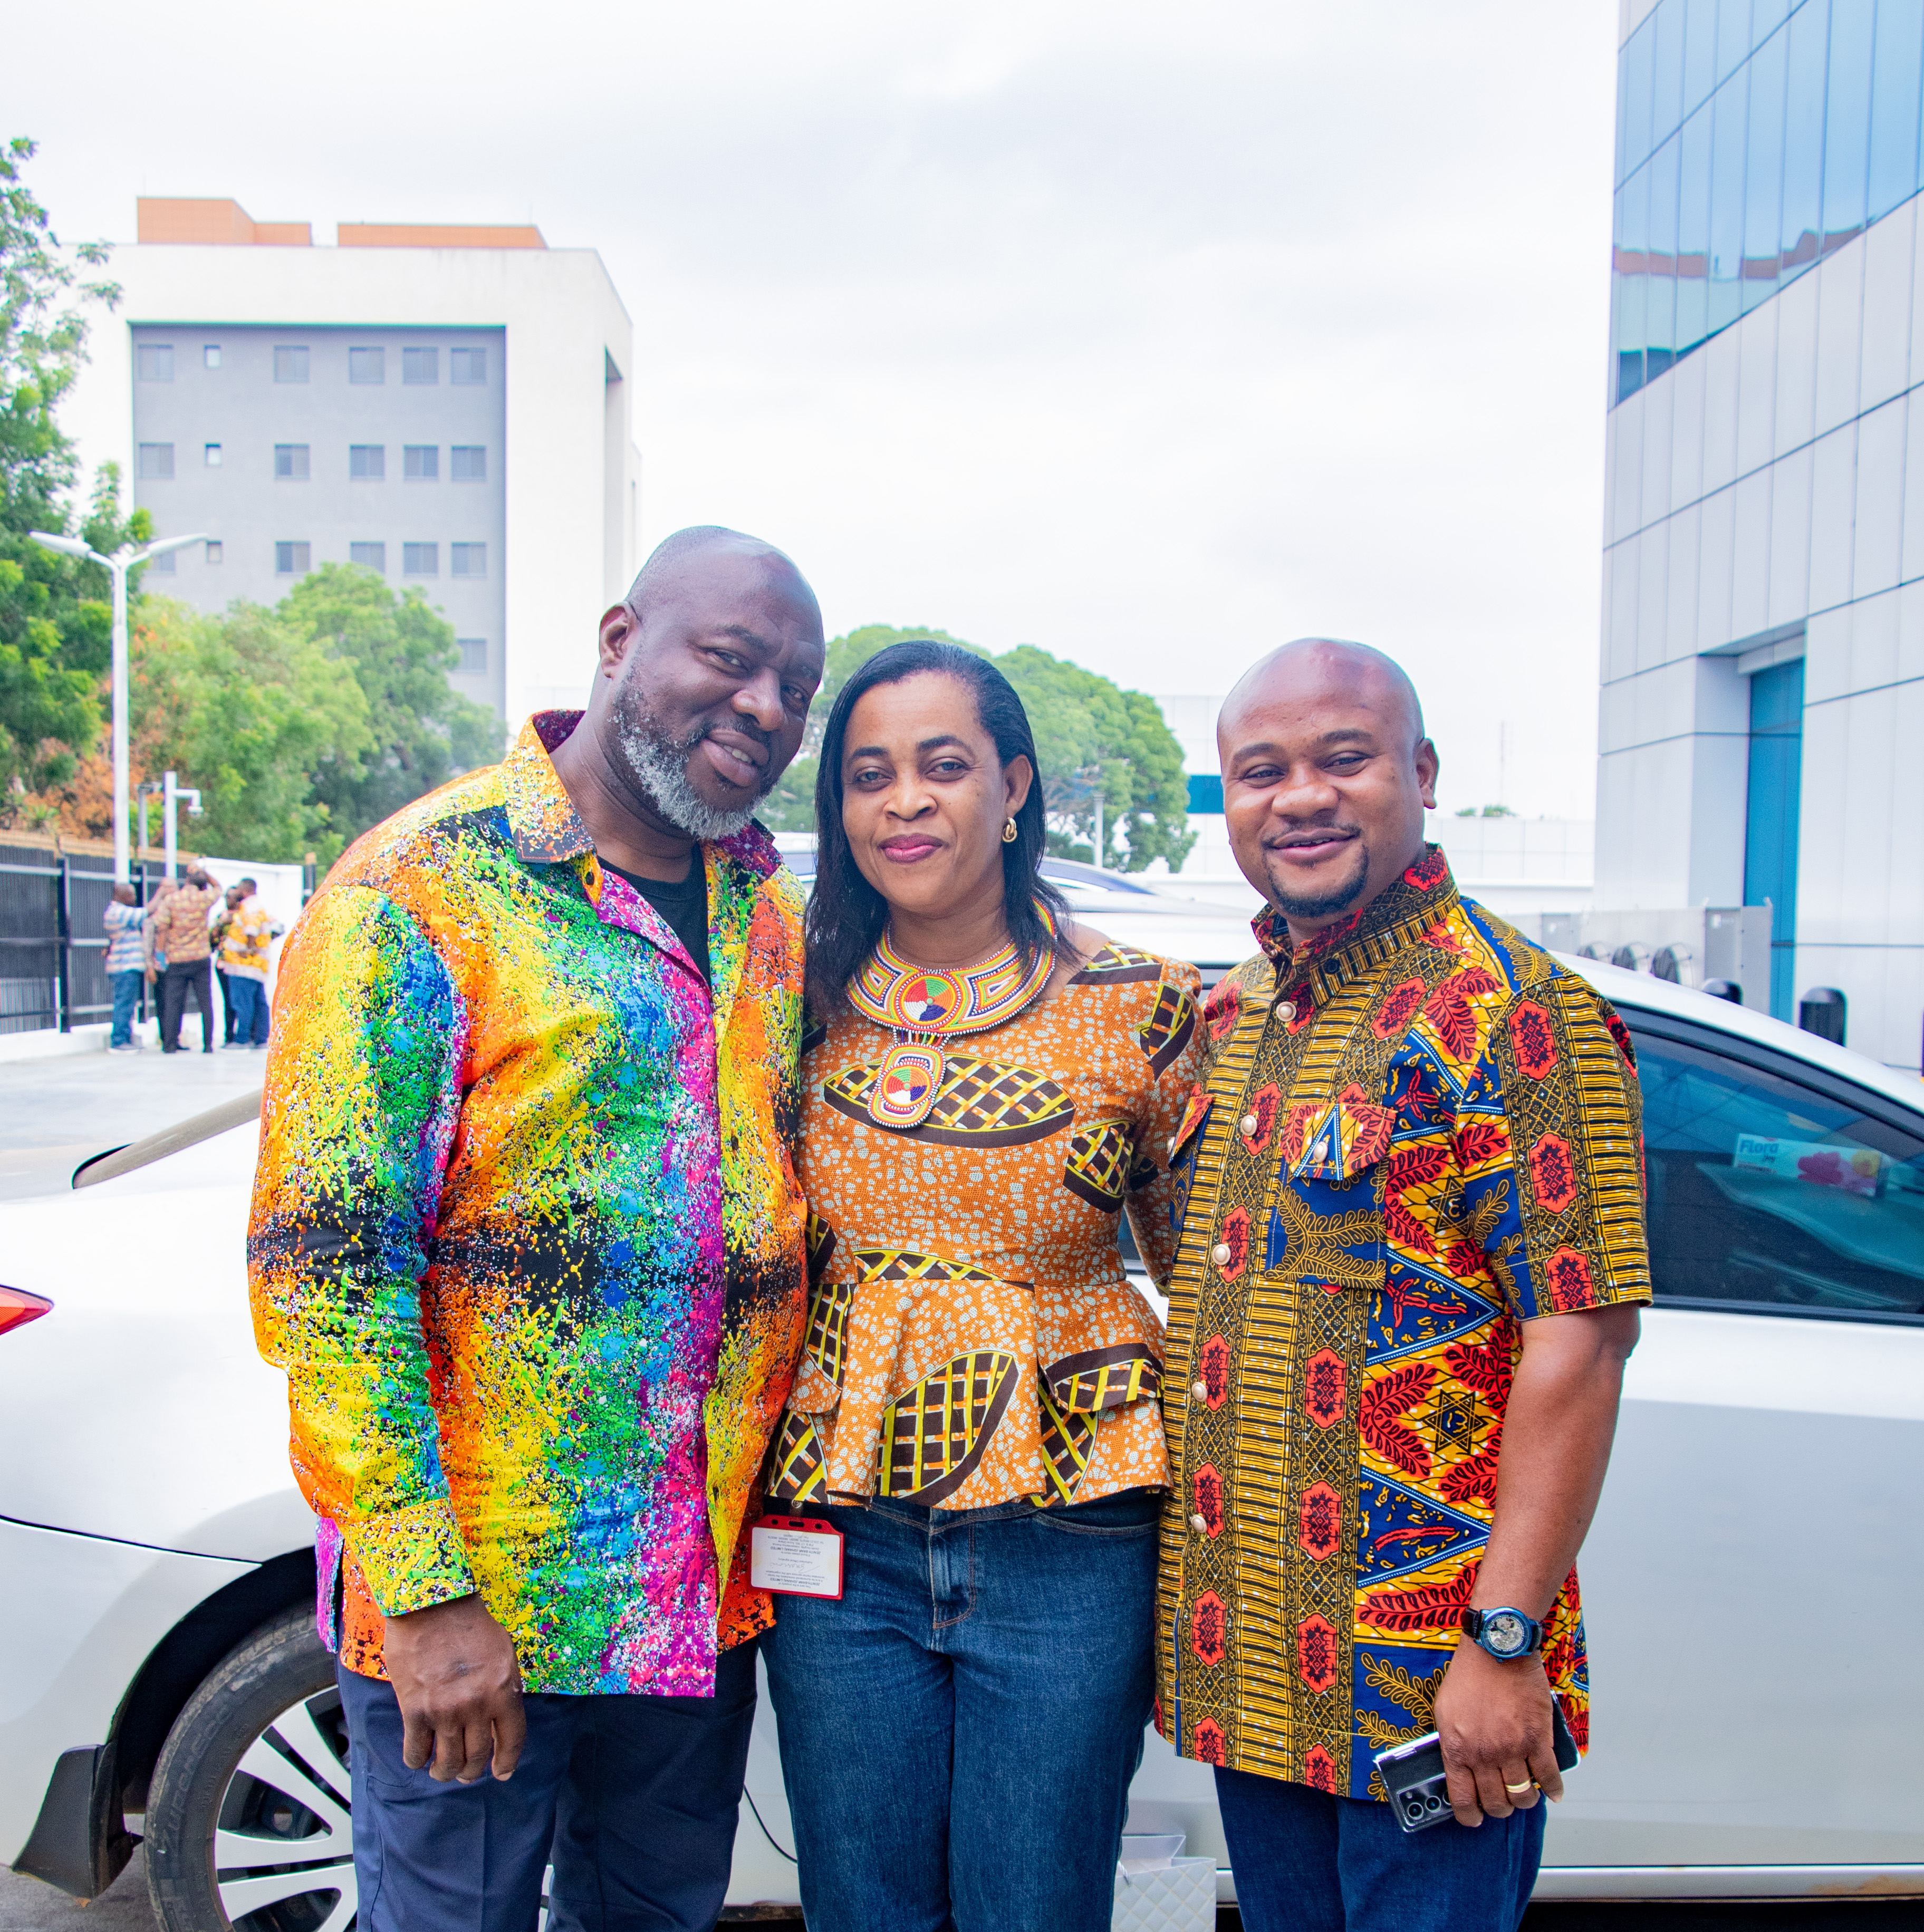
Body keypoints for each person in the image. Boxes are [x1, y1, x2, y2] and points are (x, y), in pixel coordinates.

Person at [249, 526, 823, 1932]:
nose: (762, 708)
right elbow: (330, 1268)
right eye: (731, 660)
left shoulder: (765, 909)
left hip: (689, 1596)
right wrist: (425, 1595)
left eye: (794, 689)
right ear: (622, 641)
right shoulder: (418, 888)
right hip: (487, 1602)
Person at [1153, 639, 1650, 1932]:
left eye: (1344, 758)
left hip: (1431, 1687)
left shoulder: (1520, 1011)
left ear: (1421, 773)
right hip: (1257, 1669)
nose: (1301, 797)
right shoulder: (1234, 1018)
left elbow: (1583, 1343)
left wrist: (1503, 1644)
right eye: (1262, 771)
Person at [759, 641, 1206, 1932]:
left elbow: (1205, 1287)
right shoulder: (787, 1002)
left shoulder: (1145, 1004)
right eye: (868, 775)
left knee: (1034, 1906)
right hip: (838, 1536)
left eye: (942, 766)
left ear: (1011, 786)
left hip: (1072, 1538)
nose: (904, 801)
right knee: (863, 1908)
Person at [149, 863, 222, 1054]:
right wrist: (205, 873)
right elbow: (218, 888)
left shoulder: (172, 900)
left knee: (173, 1003)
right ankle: (208, 1045)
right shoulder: (203, 898)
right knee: (205, 1002)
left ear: (187, 881)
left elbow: (161, 926)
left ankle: (170, 1044)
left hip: (177, 958)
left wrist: (160, 954)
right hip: (200, 957)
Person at [218, 877, 281, 1050]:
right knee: (259, 1001)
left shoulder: (250, 908)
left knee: (242, 1003)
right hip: (254, 965)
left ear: (245, 890)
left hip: (244, 965)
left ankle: (242, 1039)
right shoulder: (256, 907)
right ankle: (261, 1038)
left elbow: (251, 930)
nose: (236, 892)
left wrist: (249, 949)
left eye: (238, 889)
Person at [102, 881, 146, 1053]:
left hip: (127, 965)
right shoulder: (118, 912)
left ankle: (126, 1038)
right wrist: (162, 895)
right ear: (121, 895)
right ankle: (119, 1041)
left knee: (128, 1005)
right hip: (124, 966)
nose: (134, 898)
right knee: (124, 1004)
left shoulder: (120, 911)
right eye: (131, 894)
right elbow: (145, 912)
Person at [210, 885, 243, 1044]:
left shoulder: (244, 916)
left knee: (242, 1000)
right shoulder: (221, 916)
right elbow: (213, 938)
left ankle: (246, 1034)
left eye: (232, 897)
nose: (229, 900)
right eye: (227, 897)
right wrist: (220, 925)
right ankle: (229, 1035)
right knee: (229, 1000)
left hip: (241, 964)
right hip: (224, 963)